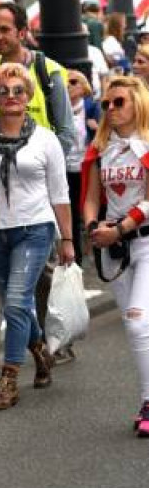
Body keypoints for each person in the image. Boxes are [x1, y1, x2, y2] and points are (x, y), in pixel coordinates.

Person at [0, 1, 76, 380]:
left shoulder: (49, 71)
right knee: (5, 289)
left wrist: (35, 155)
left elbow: (66, 135)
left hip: (36, 201)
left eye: (5, 28)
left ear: (23, 32)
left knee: (32, 287)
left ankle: (30, 359)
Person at [0, 64, 74, 412]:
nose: (11, 96)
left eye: (18, 90)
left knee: (15, 304)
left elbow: (60, 193)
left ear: (28, 96)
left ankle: (9, 379)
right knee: (15, 305)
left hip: (35, 228)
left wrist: (67, 241)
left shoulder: (46, 139)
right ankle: (42, 352)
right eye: (3, 91)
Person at [82, 75, 149, 437]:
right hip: (115, 247)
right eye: (106, 103)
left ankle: (148, 402)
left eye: (118, 102)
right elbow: (91, 195)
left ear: (137, 102)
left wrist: (121, 227)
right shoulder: (100, 148)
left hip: (144, 241)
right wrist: (93, 225)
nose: (110, 109)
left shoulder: (147, 144)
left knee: (140, 322)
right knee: (135, 326)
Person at [65, 70, 100, 264]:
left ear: (84, 86)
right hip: (66, 168)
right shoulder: (59, 109)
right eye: (65, 82)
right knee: (70, 214)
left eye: (73, 81)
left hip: (87, 169)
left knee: (88, 211)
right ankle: (75, 258)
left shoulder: (92, 107)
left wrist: (95, 127)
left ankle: (97, 251)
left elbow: (104, 134)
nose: (68, 85)